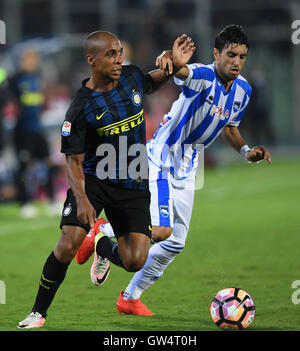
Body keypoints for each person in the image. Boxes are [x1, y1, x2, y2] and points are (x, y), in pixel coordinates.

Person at [76, 25, 272, 316]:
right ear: (216, 54)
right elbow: (181, 71)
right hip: (161, 160)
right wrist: (169, 59)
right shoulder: (203, 77)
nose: (236, 62)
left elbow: (229, 126)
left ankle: (129, 296)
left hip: (188, 167)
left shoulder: (243, 89)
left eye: (242, 56)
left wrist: (246, 150)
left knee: (175, 243)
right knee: (162, 231)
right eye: (231, 55)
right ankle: (103, 231)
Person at [17, 30, 195, 328]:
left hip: (134, 181)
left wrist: (173, 64)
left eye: (119, 53)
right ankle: (38, 313)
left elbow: (153, 80)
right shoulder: (80, 108)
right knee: (67, 243)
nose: (118, 59)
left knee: (134, 260)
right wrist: (83, 200)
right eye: (110, 55)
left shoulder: (132, 77)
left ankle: (99, 239)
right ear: (92, 60)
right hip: (95, 181)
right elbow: (72, 160)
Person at [8, 49, 57, 217]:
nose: (31, 62)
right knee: (24, 166)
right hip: (23, 129)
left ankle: (51, 201)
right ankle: (25, 203)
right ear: (22, 61)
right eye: (28, 59)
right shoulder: (15, 80)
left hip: (38, 128)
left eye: (34, 59)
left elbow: (42, 101)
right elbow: (10, 102)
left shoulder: (38, 78)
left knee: (49, 163)